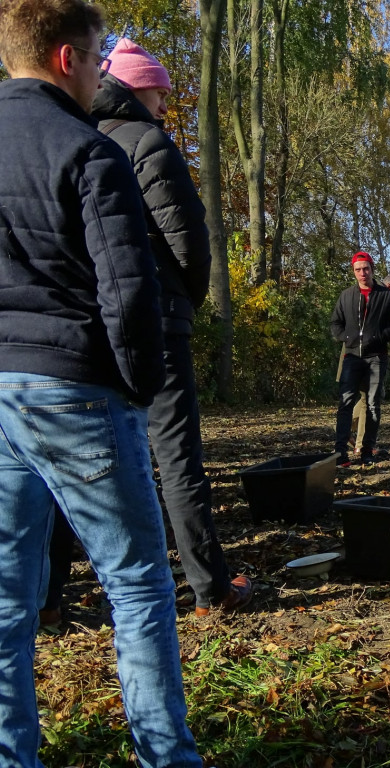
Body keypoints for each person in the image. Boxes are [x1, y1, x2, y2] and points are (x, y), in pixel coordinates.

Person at [0, 1, 204, 765]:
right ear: (64, 60)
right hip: (78, 388)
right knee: (139, 587)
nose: (98, 75)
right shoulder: (89, 151)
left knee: (7, 599)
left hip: (2, 393)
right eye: (93, 59)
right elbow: (131, 291)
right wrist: (139, 389)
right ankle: (166, 755)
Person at [42, 37, 252, 620]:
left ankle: (46, 598)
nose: (166, 100)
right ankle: (211, 587)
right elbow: (189, 239)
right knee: (177, 454)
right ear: (138, 88)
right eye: (160, 89)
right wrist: (185, 299)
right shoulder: (147, 142)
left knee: (71, 464)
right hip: (156, 321)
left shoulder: (74, 136)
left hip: (92, 325)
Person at [331, 252, 390, 466]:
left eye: (366, 269)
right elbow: (335, 323)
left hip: (376, 357)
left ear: (372, 270)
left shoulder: (386, 296)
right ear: (354, 272)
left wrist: (380, 337)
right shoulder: (346, 295)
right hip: (352, 356)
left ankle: (366, 452)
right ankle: (340, 453)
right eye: (358, 269)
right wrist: (346, 338)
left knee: (372, 405)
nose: (362, 273)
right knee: (345, 403)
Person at [347, 272, 390, 459]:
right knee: (370, 399)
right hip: (364, 355)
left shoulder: (375, 296)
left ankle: (346, 428)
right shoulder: (374, 298)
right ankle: (360, 444)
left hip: (367, 353)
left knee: (371, 397)